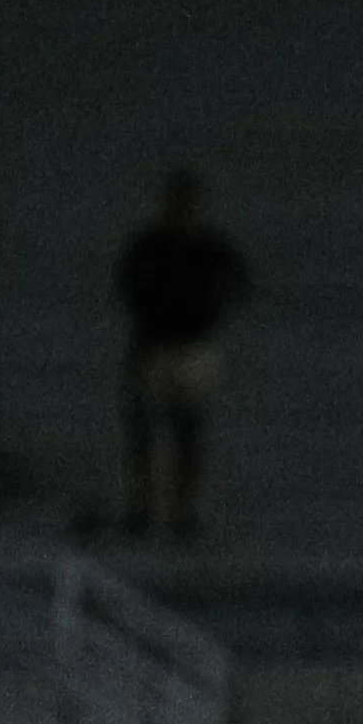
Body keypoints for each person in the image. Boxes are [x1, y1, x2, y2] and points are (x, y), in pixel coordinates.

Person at [117, 168, 249, 540]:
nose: (181, 212)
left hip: (193, 347)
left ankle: (182, 512)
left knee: (188, 433)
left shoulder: (209, 246)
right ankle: (142, 507)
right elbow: (126, 284)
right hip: (156, 346)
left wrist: (210, 310)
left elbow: (239, 281)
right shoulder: (149, 245)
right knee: (144, 433)